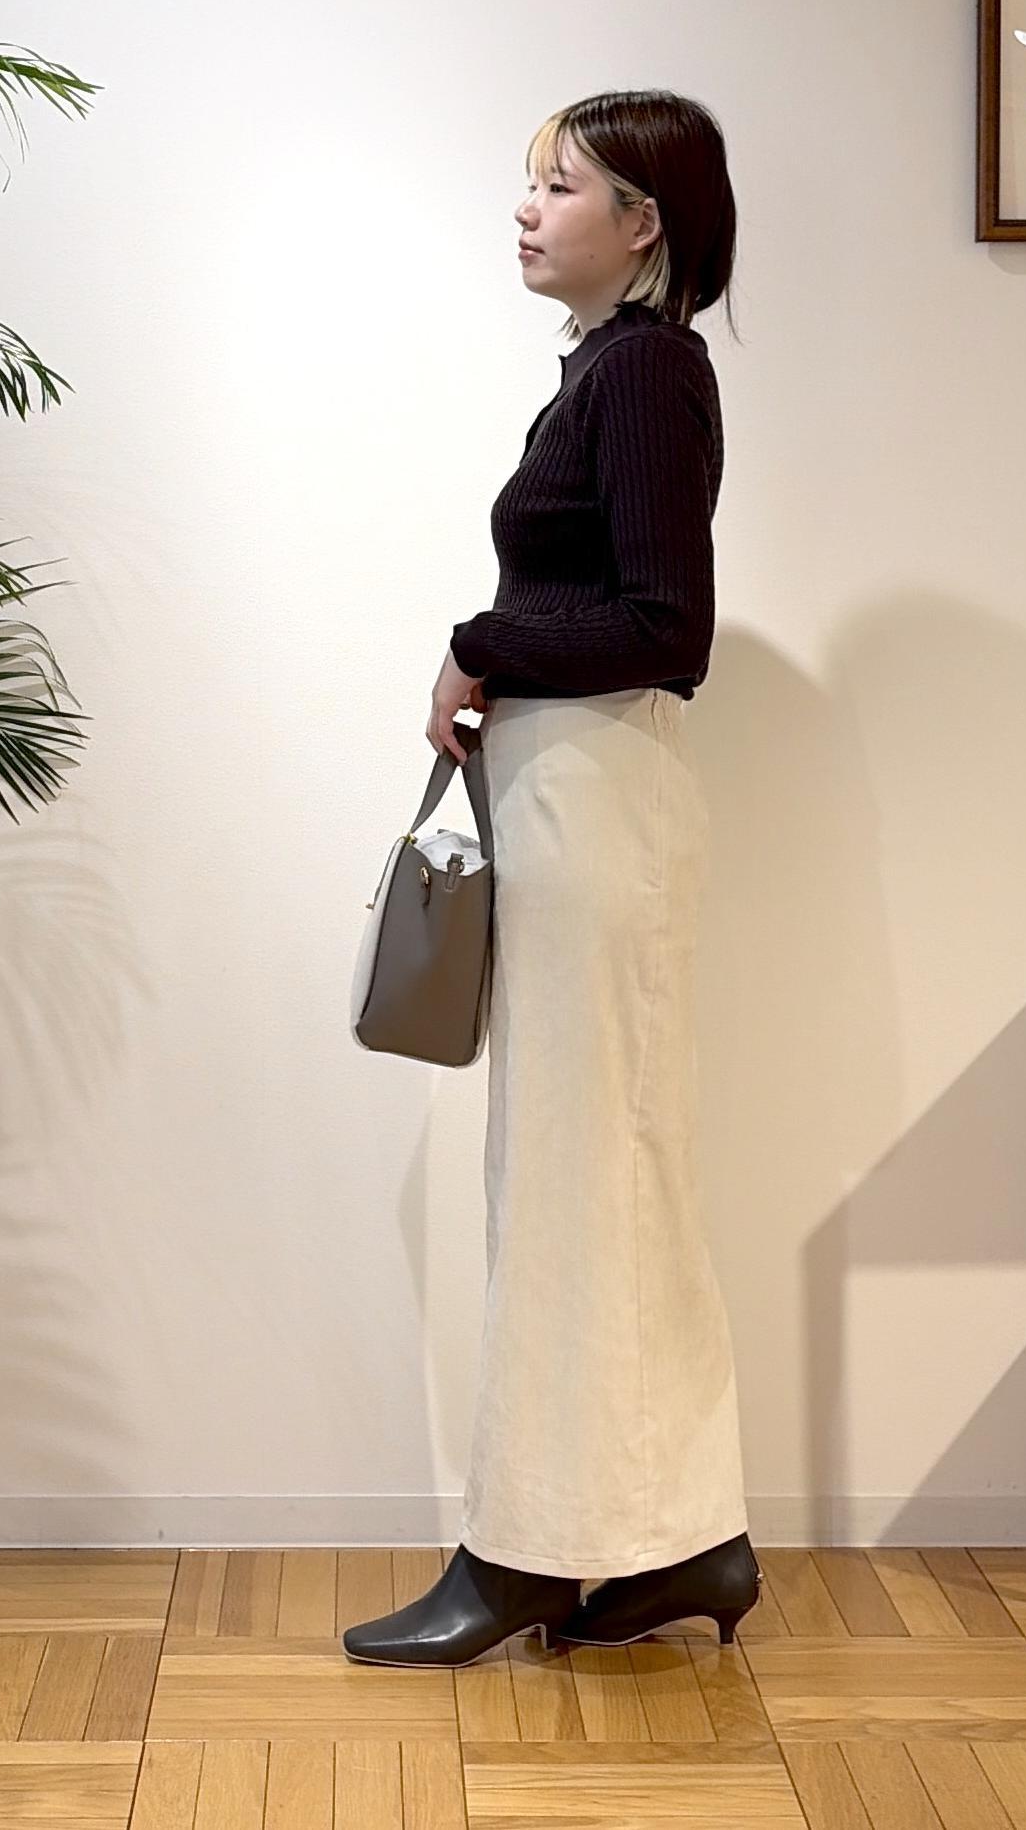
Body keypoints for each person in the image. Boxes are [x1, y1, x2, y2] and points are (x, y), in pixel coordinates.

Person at [343, 90, 761, 1670]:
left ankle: (525, 1550)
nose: (527, 209)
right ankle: (677, 1533)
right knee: (597, 1175)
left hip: (601, 807)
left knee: (581, 1180)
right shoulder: (610, 368)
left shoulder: (647, 371)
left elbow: (668, 627)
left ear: (643, 221)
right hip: (574, 798)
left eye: (561, 185)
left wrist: (477, 641)